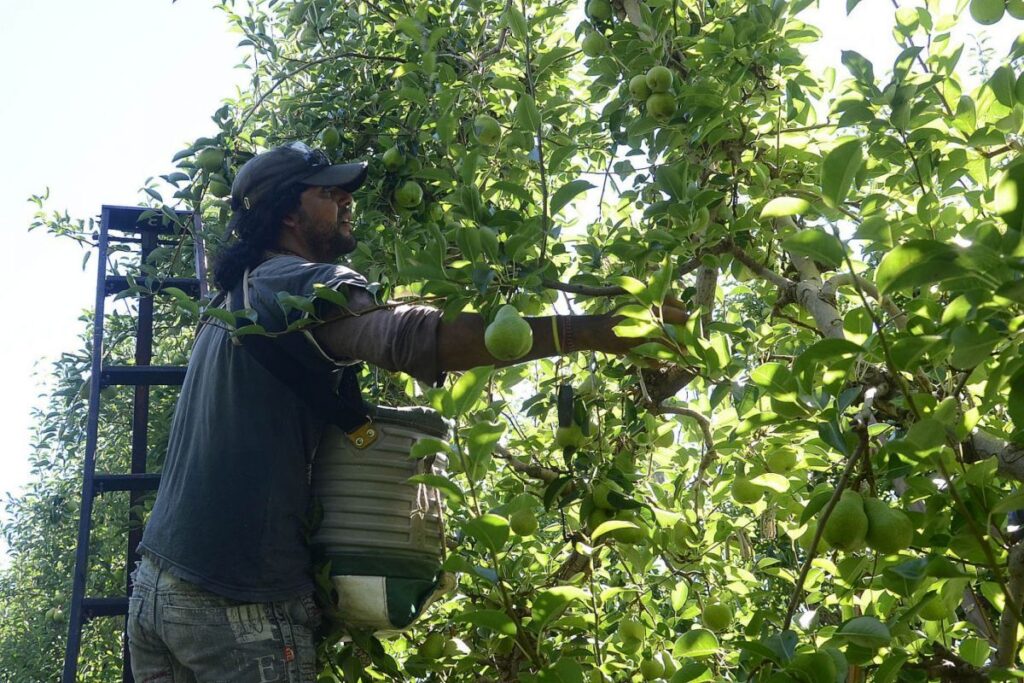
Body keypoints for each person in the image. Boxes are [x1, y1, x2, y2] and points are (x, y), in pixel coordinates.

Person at [126, 141, 688, 682]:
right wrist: (598, 331)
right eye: (329, 193)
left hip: (157, 587)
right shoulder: (297, 285)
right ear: (288, 214)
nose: (348, 201)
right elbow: (409, 338)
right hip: (237, 603)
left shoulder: (231, 303)